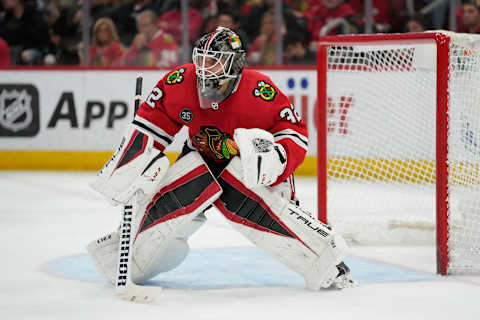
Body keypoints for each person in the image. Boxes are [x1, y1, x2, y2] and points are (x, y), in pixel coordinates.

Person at [87, 27, 356, 291]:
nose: (204, 69)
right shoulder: (180, 81)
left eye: (214, 62)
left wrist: (277, 160)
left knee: (272, 212)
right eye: (201, 59)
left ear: (235, 64)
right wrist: (133, 160)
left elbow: (293, 132)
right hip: (199, 157)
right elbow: (150, 123)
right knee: (166, 207)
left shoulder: (260, 91)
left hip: (246, 165)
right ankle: (125, 255)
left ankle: (328, 262)